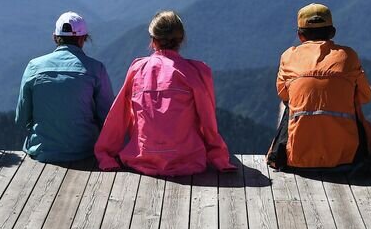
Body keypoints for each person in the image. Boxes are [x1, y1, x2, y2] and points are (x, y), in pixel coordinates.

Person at [95, 10, 234, 176]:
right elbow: (208, 121)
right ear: (181, 40)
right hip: (186, 160)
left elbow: (118, 116)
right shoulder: (196, 72)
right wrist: (218, 157)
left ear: (153, 40)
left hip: (142, 158)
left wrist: (105, 154)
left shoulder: (137, 69)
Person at [275, 3, 371, 169]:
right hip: (347, 159)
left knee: (288, 102)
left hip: (298, 159)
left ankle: (282, 149)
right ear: (332, 32)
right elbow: (366, 96)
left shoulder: (289, 57)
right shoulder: (348, 56)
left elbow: (283, 95)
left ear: (300, 35)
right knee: (352, 97)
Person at [16, 11, 113, 162]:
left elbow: (21, 118)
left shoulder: (34, 66)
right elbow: (107, 117)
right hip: (86, 150)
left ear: (55, 37)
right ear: (83, 38)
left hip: (42, 152)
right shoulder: (96, 69)